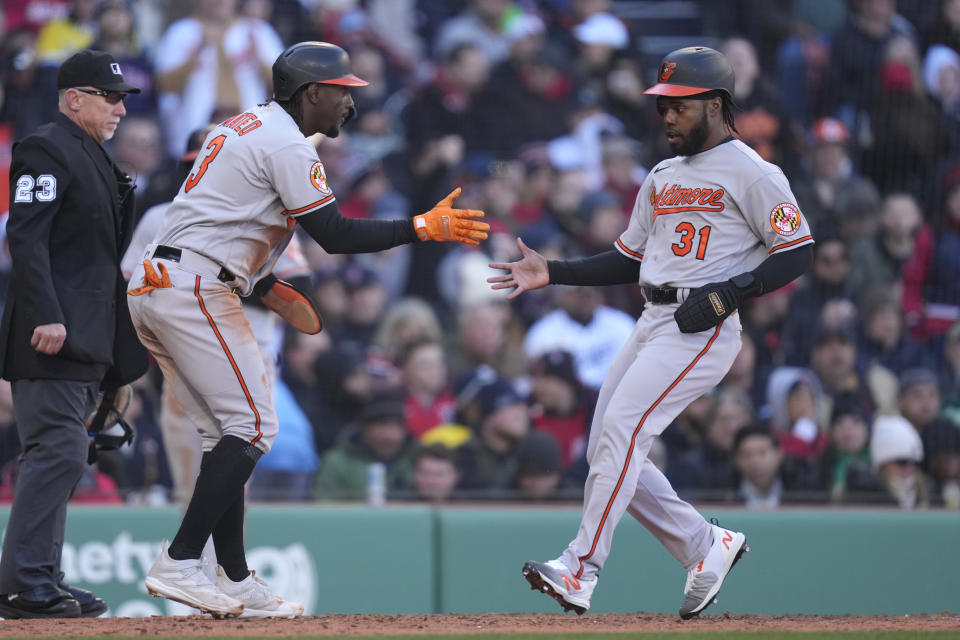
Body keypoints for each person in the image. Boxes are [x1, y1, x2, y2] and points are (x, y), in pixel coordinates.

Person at [127, 42, 488, 618]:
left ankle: (236, 577)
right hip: (194, 287)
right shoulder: (286, 142)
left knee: (229, 436)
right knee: (253, 427)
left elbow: (227, 216)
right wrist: (423, 226)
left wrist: (263, 284)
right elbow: (336, 234)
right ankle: (179, 559)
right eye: (343, 91)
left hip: (164, 282)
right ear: (312, 93)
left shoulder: (245, 126)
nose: (350, 103)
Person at [488, 46, 813, 618]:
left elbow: (797, 250)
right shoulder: (663, 174)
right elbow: (627, 258)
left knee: (622, 429)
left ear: (714, 104)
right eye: (662, 105)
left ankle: (580, 570)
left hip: (703, 324)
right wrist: (554, 272)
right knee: (606, 447)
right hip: (654, 317)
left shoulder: (754, 171)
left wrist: (733, 292)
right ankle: (703, 545)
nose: (665, 116)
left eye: (679, 106)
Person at [0, 50, 148, 618]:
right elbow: (27, 237)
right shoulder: (45, 147)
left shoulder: (94, 156)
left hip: (87, 335)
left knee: (68, 452)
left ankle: (43, 579)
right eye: (108, 97)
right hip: (52, 333)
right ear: (73, 98)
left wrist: (114, 358)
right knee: (57, 449)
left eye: (123, 99)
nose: (119, 109)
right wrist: (44, 314)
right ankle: (24, 583)